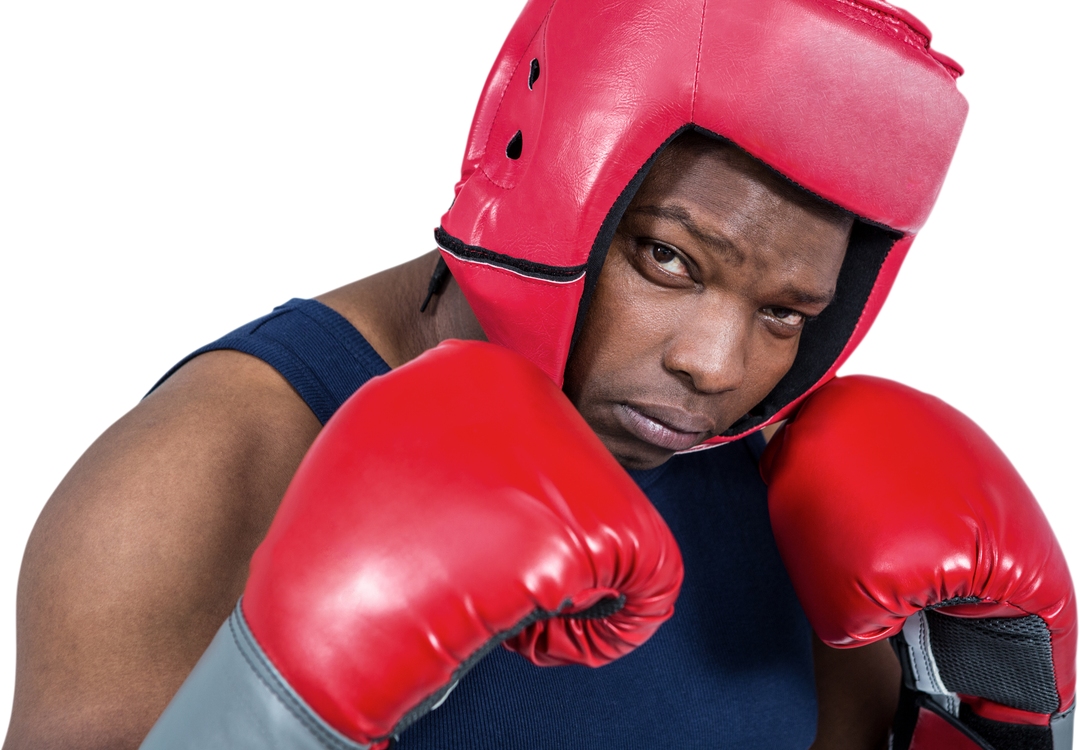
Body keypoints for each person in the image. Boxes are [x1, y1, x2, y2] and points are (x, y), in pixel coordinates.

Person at [9, 1, 1076, 749]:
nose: (715, 366)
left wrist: (993, 712)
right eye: (668, 258)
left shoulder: (806, 493)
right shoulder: (196, 474)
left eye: (784, 314)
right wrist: (271, 714)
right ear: (541, 176)